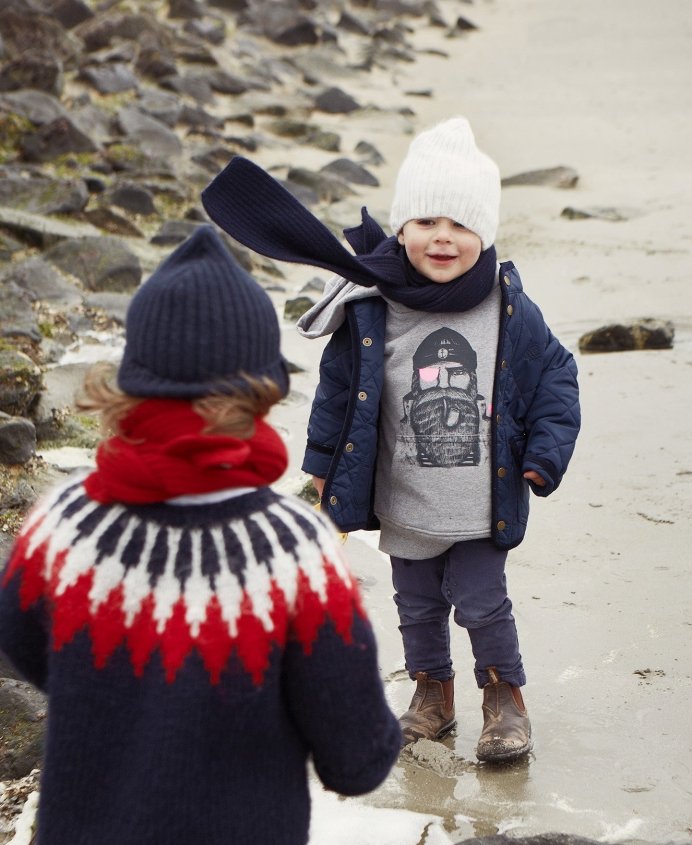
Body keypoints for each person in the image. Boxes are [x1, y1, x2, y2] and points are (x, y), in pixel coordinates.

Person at [0, 226, 401, 845]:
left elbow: (22, 648)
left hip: (104, 824)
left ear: (127, 387)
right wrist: (365, 748)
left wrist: (110, 700)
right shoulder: (292, 549)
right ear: (260, 395)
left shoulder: (59, 525)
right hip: (235, 841)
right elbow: (352, 743)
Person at [201, 117, 580, 764]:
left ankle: (504, 699)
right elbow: (337, 394)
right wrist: (323, 470)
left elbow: (556, 378)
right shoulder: (373, 305)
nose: (442, 237)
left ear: (483, 234)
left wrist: (544, 456)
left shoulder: (508, 305)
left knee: (483, 604)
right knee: (417, 606)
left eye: (460, 224)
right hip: (404, 497)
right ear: (401, 228)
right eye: (426, 221)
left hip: (481, 502)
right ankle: (432, 696)